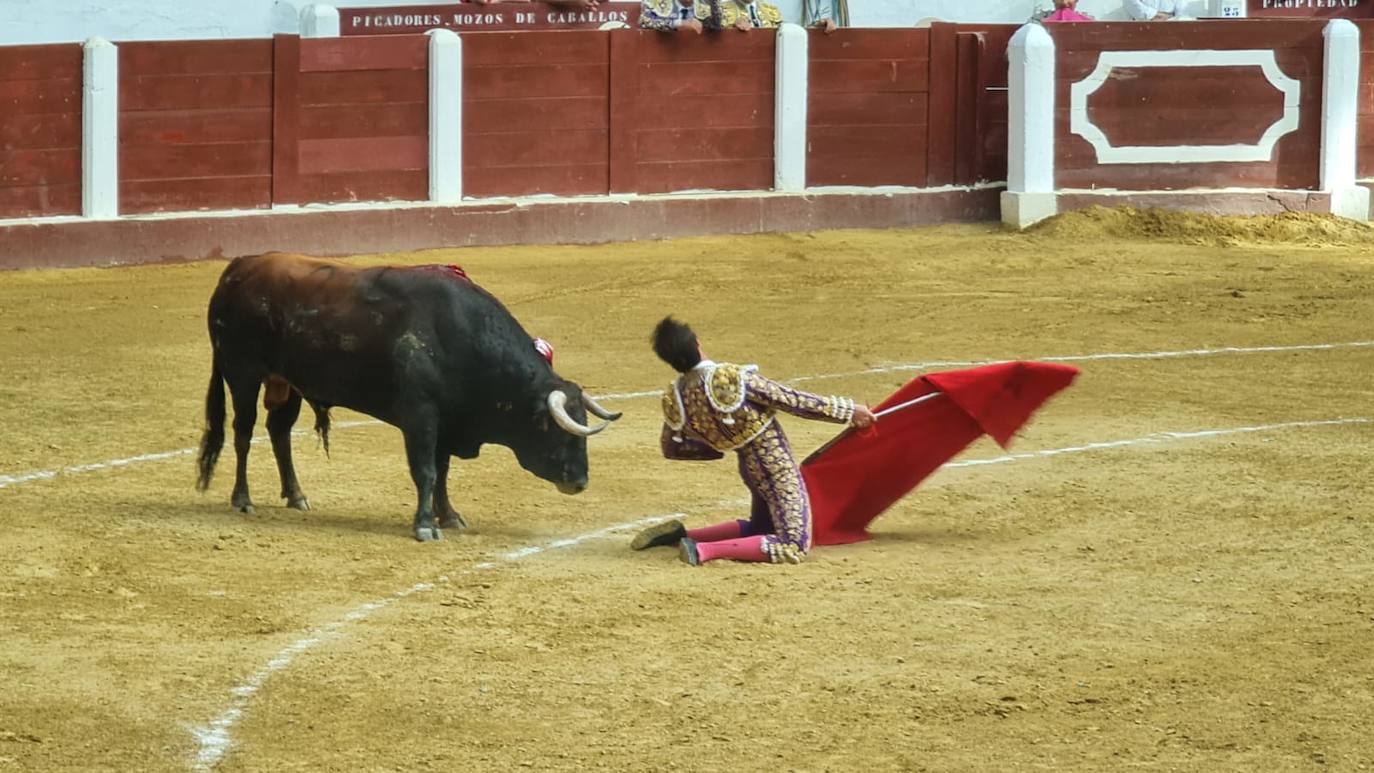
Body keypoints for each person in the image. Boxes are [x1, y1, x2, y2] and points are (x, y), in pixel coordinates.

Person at [631, 317, 876, 566]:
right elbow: (792, 400)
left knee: (761, 527)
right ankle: (703, 550)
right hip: (775, 465)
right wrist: (847, 410)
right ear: (697, 342)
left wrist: (716, 446)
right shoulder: (730, 378)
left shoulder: (677, 396)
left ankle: (680, 537)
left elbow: (672, 448)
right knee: (793, 545)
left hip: (748, 466)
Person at [640, 0, 718, 32]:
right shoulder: (657, 2)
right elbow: (645, 21)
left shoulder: (708, 3)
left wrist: (704, 24)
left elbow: (720, 25)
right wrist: (678, 23)